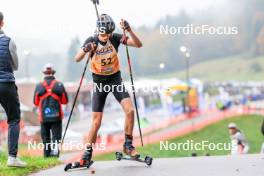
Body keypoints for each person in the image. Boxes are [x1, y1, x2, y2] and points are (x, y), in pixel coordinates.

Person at [74, 14, 142, 165]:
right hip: (99, 83)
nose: (105, 37)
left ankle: (128, 145)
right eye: (103, 34)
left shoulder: (115, 38)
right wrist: (86, 49)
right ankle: (87, 153)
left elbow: (138, 44)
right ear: (98, 30)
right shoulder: (91, 40)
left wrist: (129, 30)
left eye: (108, 34)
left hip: (115, 79)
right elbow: (77, 58)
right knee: (96, 121)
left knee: (130, 111)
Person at [0, 12, 27, 167]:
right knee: (14, 119)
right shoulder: (9, 42)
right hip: (6, 84)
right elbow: (15, 66)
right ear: (2, 23)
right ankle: (12, 158)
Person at [33, 63, 68, 157]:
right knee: (56, 138)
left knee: (46, 139)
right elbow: (65, 101)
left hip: (44, 117)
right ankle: (55, 155)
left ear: (44, 73)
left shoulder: (39, 85)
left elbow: (35, 102)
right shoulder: (59, 84)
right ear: (53, 72)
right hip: (57, 117)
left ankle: (47, 156)